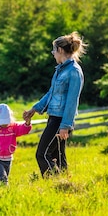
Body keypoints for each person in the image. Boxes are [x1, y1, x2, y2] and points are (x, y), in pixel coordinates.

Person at [23, 31, 86, 178]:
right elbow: (51, 93)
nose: (53, 54)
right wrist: (35, 108)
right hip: (54, 117)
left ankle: (54, 182)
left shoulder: (74, 72)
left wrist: (65, 126)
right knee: (57, 154)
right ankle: (64, 183)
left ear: (60, 50)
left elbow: (72, 101)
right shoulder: (61, 70)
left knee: (42, 154)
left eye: (54, 51)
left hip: (60, 120)